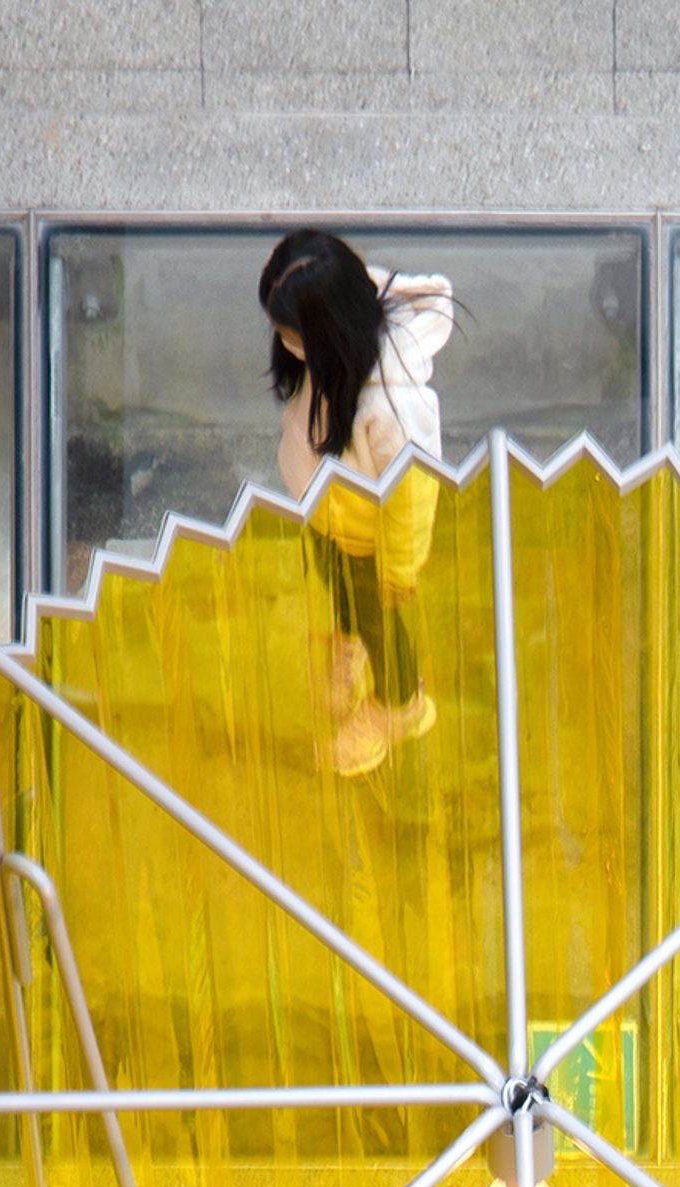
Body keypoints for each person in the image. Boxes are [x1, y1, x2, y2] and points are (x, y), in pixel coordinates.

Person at [259, 230, 455, 777]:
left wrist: (398, 571)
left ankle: (399, 707)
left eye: (291, 335)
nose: (284, 343)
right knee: (341, 592)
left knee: (381, 625)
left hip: (368, 538)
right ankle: (350, 645)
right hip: (327, 514)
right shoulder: (338, 325)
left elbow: (412, 499)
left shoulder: (395, 407)